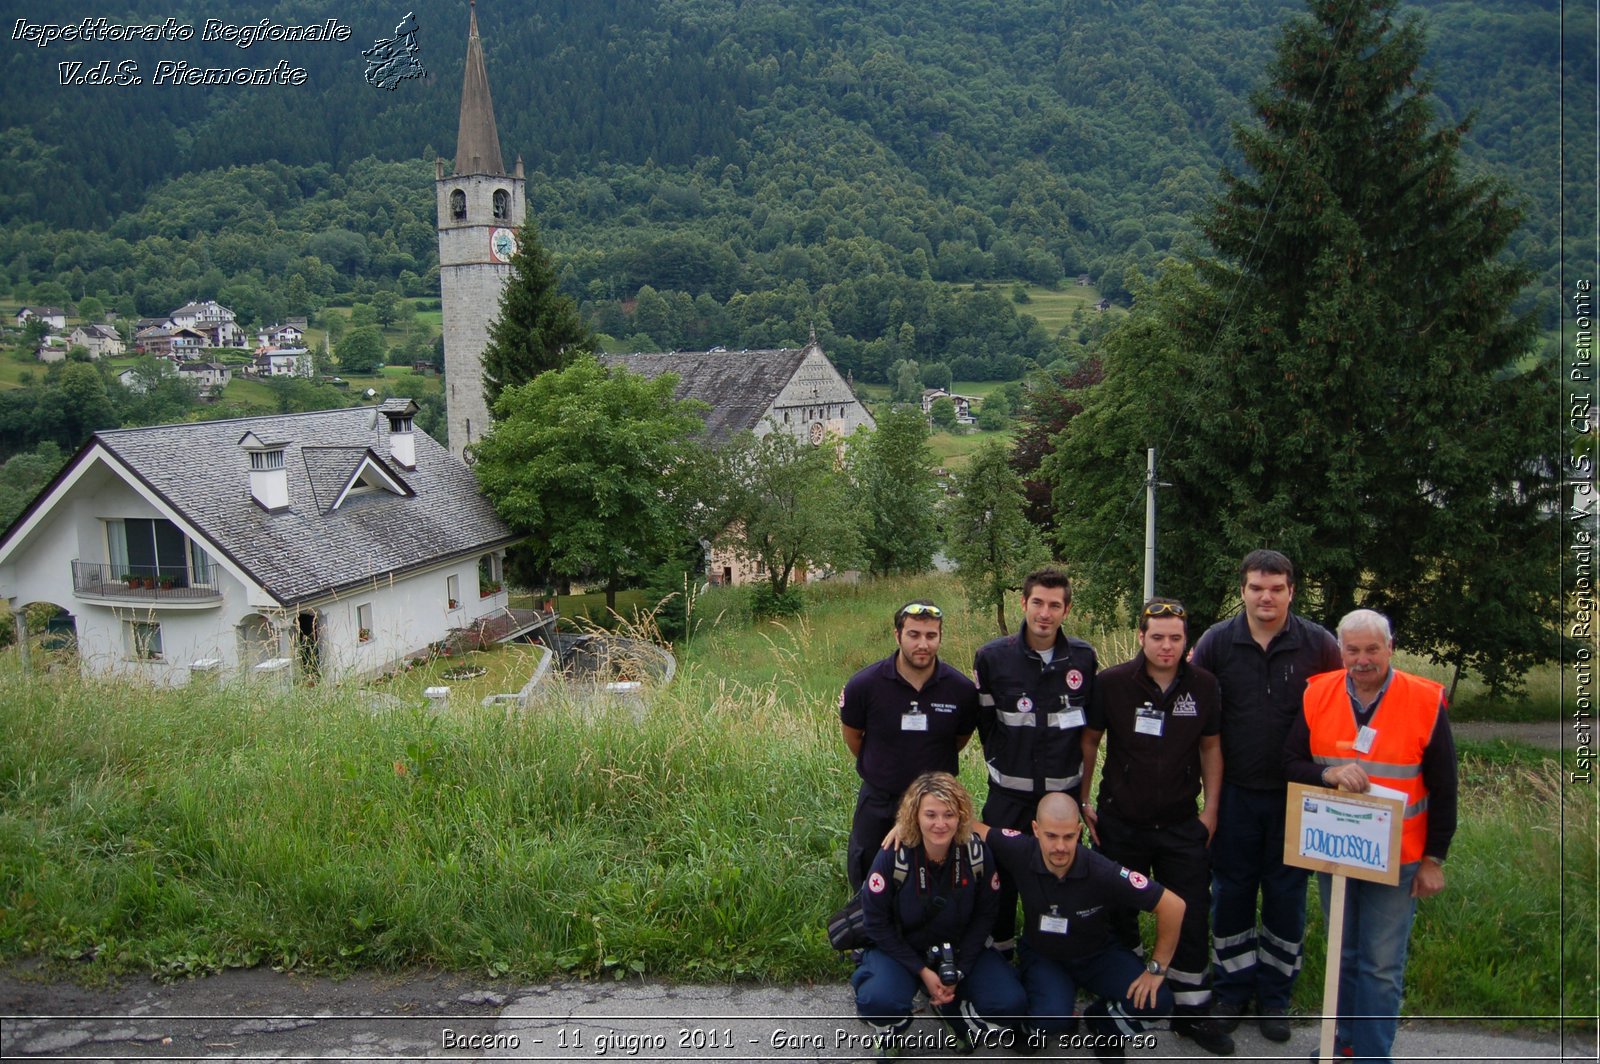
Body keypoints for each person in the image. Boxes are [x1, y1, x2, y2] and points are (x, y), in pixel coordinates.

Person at [1283, 608, 1458, 1064]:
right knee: (1344, 954)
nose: (1362, 660)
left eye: (1372, 649)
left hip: (1399, 858)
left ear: (1390, 648)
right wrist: (1329, 772)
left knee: (1380, 966)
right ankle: (1340, 1045)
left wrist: (1434, 859)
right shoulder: (1317, 693)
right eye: (1353, 650)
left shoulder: (1423, 700)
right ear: (1340, 650)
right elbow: (1290, 764)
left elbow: (1444, 787)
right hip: (1337, 851)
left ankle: (1372, 1056)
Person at [1190, 549, 1340, 1041]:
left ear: (1291, 591)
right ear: (1243, 591)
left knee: (1285, 896)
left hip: (1299, 797)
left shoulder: (1319, 644)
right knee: (1230, 893)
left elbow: (1342, 712)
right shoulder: (1216, 642)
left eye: (1276, 588)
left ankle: (1275, 995)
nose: (1266, 596)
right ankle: (1232, 990)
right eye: (1256, 587)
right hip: (1233, 794)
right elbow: (1198, 718)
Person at [1080, 598, 1233, 1057]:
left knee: (1190, 913)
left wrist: (1211, 812)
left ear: (1187, 641)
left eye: (1175, 637)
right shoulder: (1111, 684)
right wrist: (1083, 800)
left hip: (1182, 824)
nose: (1166, 646)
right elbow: (1089, 741)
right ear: (1141, 637)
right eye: (1157, 636)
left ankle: (1192, 1013)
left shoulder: (1204, 686)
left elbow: (1211, 748)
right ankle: (1118, 1007)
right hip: (1120, 823)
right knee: (1118, 914)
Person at [979, 792, 1182, 1061]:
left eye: (1068, 837)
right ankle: (1040, 1014)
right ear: (1036, 830)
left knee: (1158, 1003)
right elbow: (971, 826)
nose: (1060, 847)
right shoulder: (1019, 850)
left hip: (1096, 954)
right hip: (1044, 956)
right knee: (1051, 1020)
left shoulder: (1102, 871)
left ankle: (1104, 1024)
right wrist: (908, 826)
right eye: (1051, 836)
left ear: (1079, 831)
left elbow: (1173, 906)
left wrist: (1156, 969)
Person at [854, 772, 1028, 1056]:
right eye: (930, 814)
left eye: (949, 814)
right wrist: (921, 970)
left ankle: (955, 1012)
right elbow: (875, 922)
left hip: (958, 949)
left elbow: (986, 916)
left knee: (1010, 1004)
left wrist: (960, 970)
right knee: (878, 1001)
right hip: (903, 949)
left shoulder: (975, 853)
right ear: (915, 815)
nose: (940, 823)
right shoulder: (894, 854)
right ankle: (893, 1028)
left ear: (961, 816)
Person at [973, 567, 1098, 953]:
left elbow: (1089, 733)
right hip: (1007, 797)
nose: (1045, 613)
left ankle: (1049, 953)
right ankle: (1001, 951)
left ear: (1066, 610)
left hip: (1060, 798)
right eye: (1038, 603)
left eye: (1055, 605)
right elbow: (985, 725)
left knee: (1058, 878)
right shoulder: (992, 658)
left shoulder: (1083, 659)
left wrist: (1082, 796)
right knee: (1001, 878)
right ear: (1024, 603)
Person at [841, 600, 979, 890]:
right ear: (897, 635)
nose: (923, 644)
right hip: (880, 799)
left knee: (930, 878)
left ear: (940, 637)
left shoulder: (961, 690)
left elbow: (959, 739)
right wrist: (884, 767)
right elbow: (854, 737)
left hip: (936, 804)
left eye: (931, 636)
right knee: (869, 872)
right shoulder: (864, 685)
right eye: (914, 635)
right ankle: (868, 930)